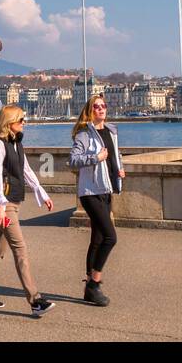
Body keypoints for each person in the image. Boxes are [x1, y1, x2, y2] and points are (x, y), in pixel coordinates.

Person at [0, 104, 56, 317]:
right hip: (6, 205)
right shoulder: (0, 145)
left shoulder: (17, 144)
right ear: (9, 123)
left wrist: (42, 193)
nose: (24, 123)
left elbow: (26, 171)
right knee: (20, 249)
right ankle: (35, 300)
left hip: (15, 203)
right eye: (21, 120)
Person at [69, 94, 124, 306]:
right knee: (111, 237)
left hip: (107, 188)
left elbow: (114, 156)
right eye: (96, 107)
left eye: (103, 106)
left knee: (98, 238)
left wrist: (119, 169)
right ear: (90, 111)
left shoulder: (111, 130)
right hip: (90, 191)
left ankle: (88, 287)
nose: (101, 109)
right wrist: (95, 158)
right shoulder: (84, 134)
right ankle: (94, 282)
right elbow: (73, 160)